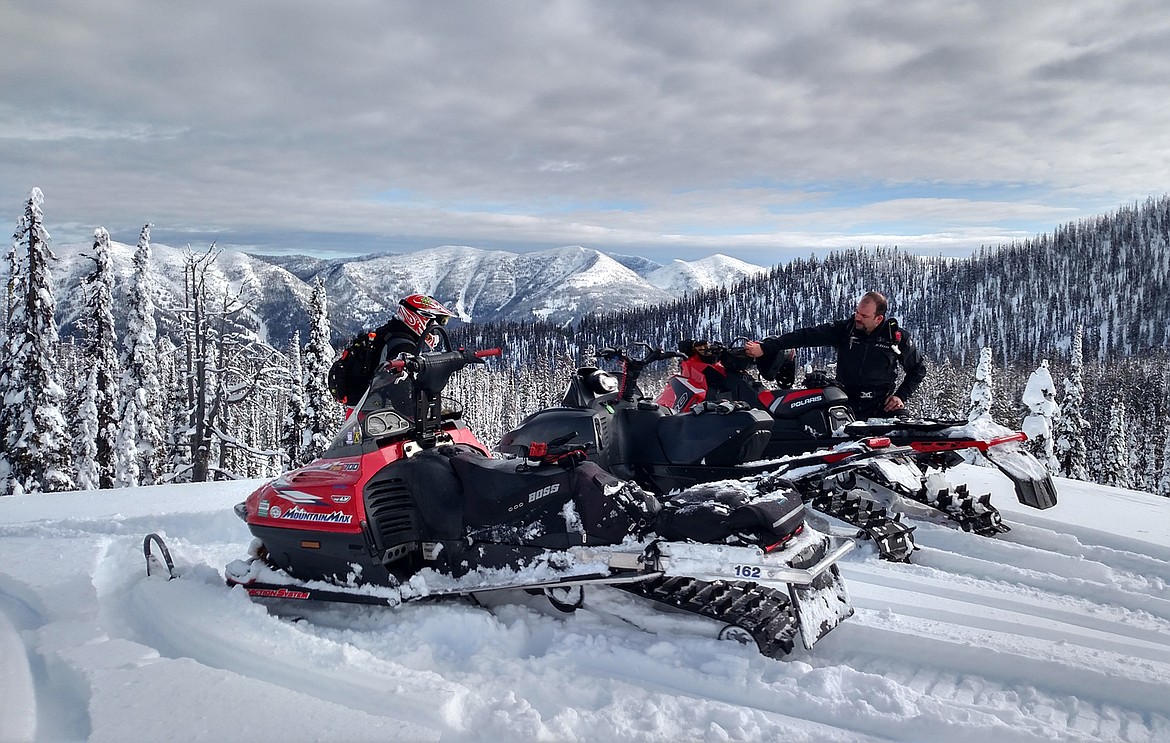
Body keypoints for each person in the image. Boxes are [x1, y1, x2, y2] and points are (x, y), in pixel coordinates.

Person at [743, 291, 926, 419]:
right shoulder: (845, 330)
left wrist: (900, 396)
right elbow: (804, 336)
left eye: (864, 315)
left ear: (879, 318)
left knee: (905, 437)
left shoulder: (896, 338)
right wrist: (766, 348)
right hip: (844, 402)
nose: (857, 317)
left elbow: (918, 369)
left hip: (880, 404)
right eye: (857, 312)